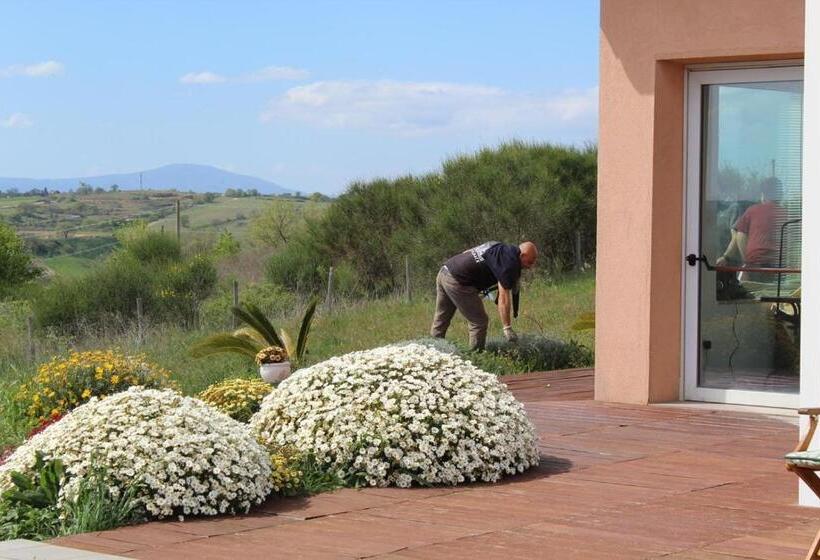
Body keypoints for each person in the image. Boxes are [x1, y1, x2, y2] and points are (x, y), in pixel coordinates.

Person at [430, 241, 538, 350]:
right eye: (530, 262)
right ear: (522, 255)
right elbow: (504, 297)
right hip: (459, 280)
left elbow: (467, 252)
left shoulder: (498, 246)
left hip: (446, 270)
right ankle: (476, 359)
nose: (531, 266)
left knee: (441, 320)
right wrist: (507, 327)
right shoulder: (509, 263)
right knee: (479, 322)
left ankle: (432, 353)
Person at [715, 177, 785, 281]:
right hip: (780, 267)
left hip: (756, 267)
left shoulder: (752, 211)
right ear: (780, 194)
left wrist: (746, 261)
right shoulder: (786, 214)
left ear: (763, 194)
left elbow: (739, 236)